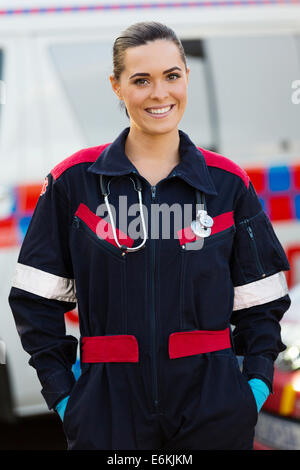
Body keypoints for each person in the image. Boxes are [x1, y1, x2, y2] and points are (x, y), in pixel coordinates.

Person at [8, 21, 291, 451]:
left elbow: (263, 304)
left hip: (214, 416)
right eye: (141, 80)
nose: (160, 94)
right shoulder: (74, 184)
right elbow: (35, 303)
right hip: (108, 418)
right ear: (117, 87)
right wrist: (67, 400)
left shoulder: (228, 184)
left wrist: (250, 392)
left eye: (171, 76)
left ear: (186, 78)